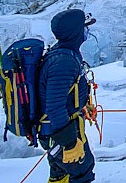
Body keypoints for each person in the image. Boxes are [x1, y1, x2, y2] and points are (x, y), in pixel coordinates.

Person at [38, 9, 96, 183]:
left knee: (61, 173)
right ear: (76, 32)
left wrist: (83, 105)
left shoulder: (63, 54)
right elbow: (54, 107)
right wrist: (70, 143)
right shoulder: (63, 62)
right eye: (84, 28)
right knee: (81, 173)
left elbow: (67, 93)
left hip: (59, 130)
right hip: (61, 132)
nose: (87, 31)